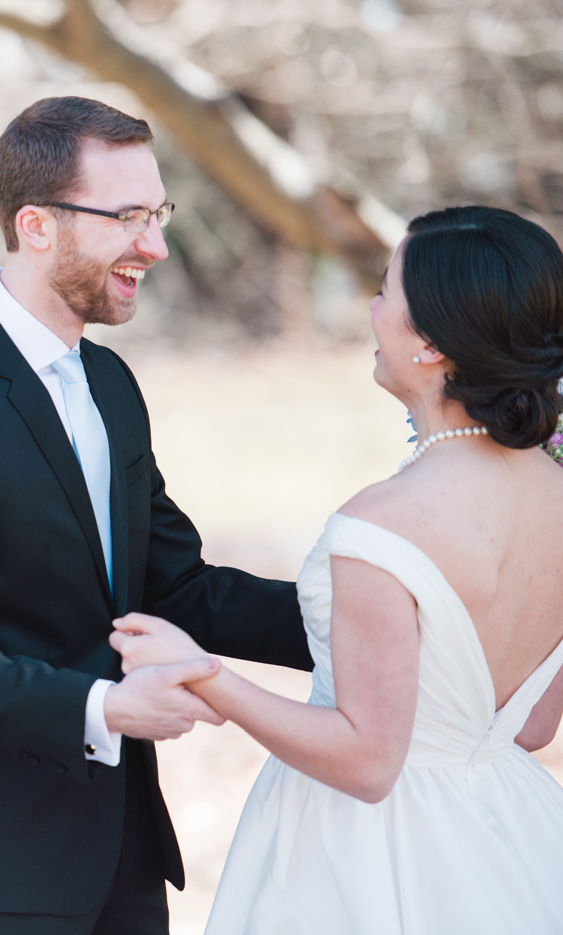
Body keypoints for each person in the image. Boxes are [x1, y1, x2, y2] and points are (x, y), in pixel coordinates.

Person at [0, 96, 313, 935]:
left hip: (128, 858)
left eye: (159, 212)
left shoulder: (112, 387)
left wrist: (363, 613)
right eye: (130, 217)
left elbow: (178, 588)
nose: (158, 245)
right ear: (37, 225)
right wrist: (103, 709)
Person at [111, 205, 563, 934]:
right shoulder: (555, 489)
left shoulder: (383, 521)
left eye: (386, 290)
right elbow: (532, 724)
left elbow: (366, 763)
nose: (373, 307)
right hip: (507, 846)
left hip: (366, 859)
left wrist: (203, 674)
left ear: (432, 346)